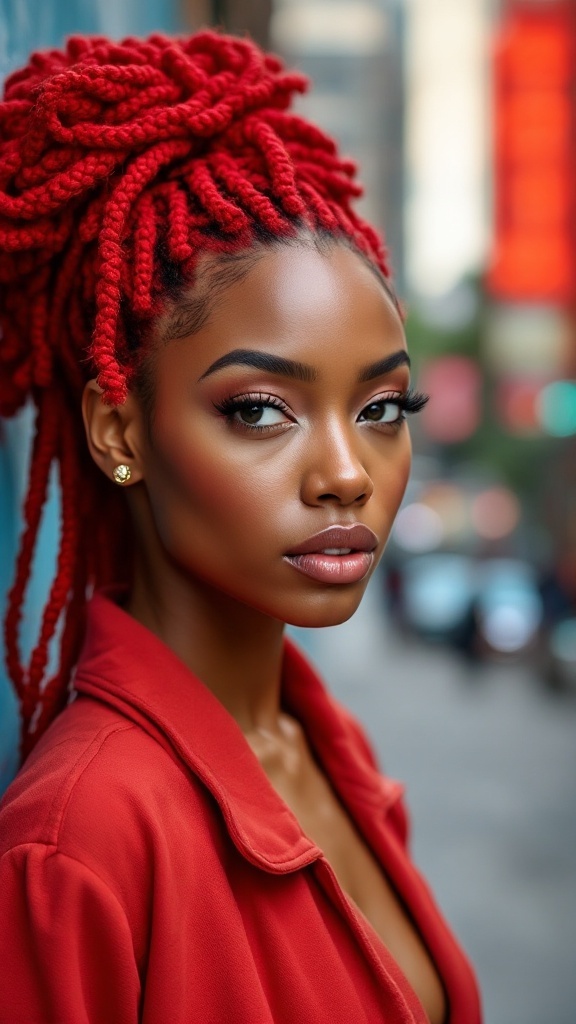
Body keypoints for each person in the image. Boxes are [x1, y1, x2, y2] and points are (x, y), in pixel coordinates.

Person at [0, 31, 482, 1024]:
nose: (348, 473)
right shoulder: (76, 844)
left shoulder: (325, 745)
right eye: (261, 410)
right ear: (118, 429)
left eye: (383, 410)